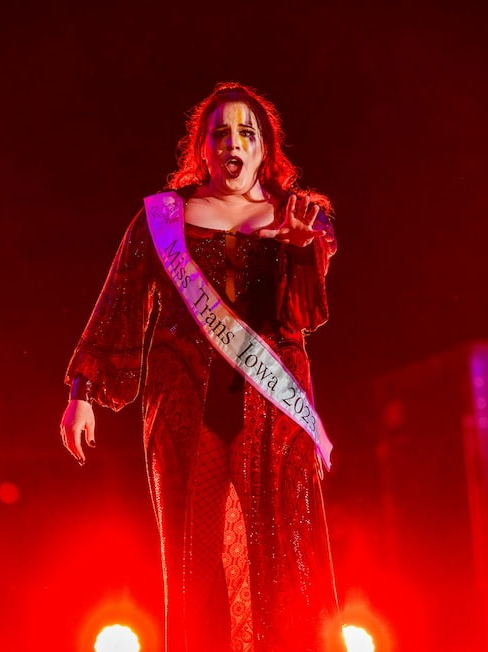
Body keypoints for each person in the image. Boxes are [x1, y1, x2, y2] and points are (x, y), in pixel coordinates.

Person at [60, 82, 343, 651]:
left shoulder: (301, 216)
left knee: (282, 552)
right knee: (194, 557)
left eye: (248, 132)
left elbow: (303, 318)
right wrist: (82, 390)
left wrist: (296, 247)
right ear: (204, 149)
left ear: (266, 149)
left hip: (273, 407)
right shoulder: (163, 218)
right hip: (184, 401)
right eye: (221, 133)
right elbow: (119, 299)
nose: (234, 141)